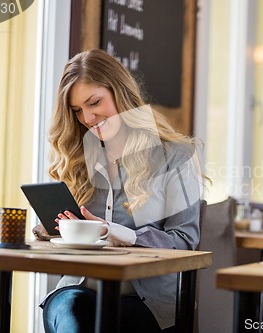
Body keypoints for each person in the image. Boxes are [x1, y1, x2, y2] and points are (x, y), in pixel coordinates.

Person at [37, 49, 203, 332]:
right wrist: (53, 230)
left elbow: (185, 241)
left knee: (90, 318)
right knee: (73, 308)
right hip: (78, 290)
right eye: (77, 110)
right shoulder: (77, 159)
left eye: (94, 102)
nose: (88, 117)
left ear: (120, 92)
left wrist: (118, 233)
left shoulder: (174, 155)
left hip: (146, 301)